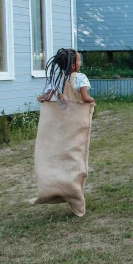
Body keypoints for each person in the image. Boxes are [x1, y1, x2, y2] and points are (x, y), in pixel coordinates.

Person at [30, 48, 95, 216]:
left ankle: (59, 187)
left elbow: (49, 95)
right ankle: (75, 195)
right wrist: (90, 101)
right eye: (79, 61)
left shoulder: (57, 78)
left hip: (62, 123)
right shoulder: (80, 77)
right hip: (76, 122)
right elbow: (84, 97)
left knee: (62, 154)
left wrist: (43, 99)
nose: (80, 64)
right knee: (76, 155)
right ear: (73, 64)